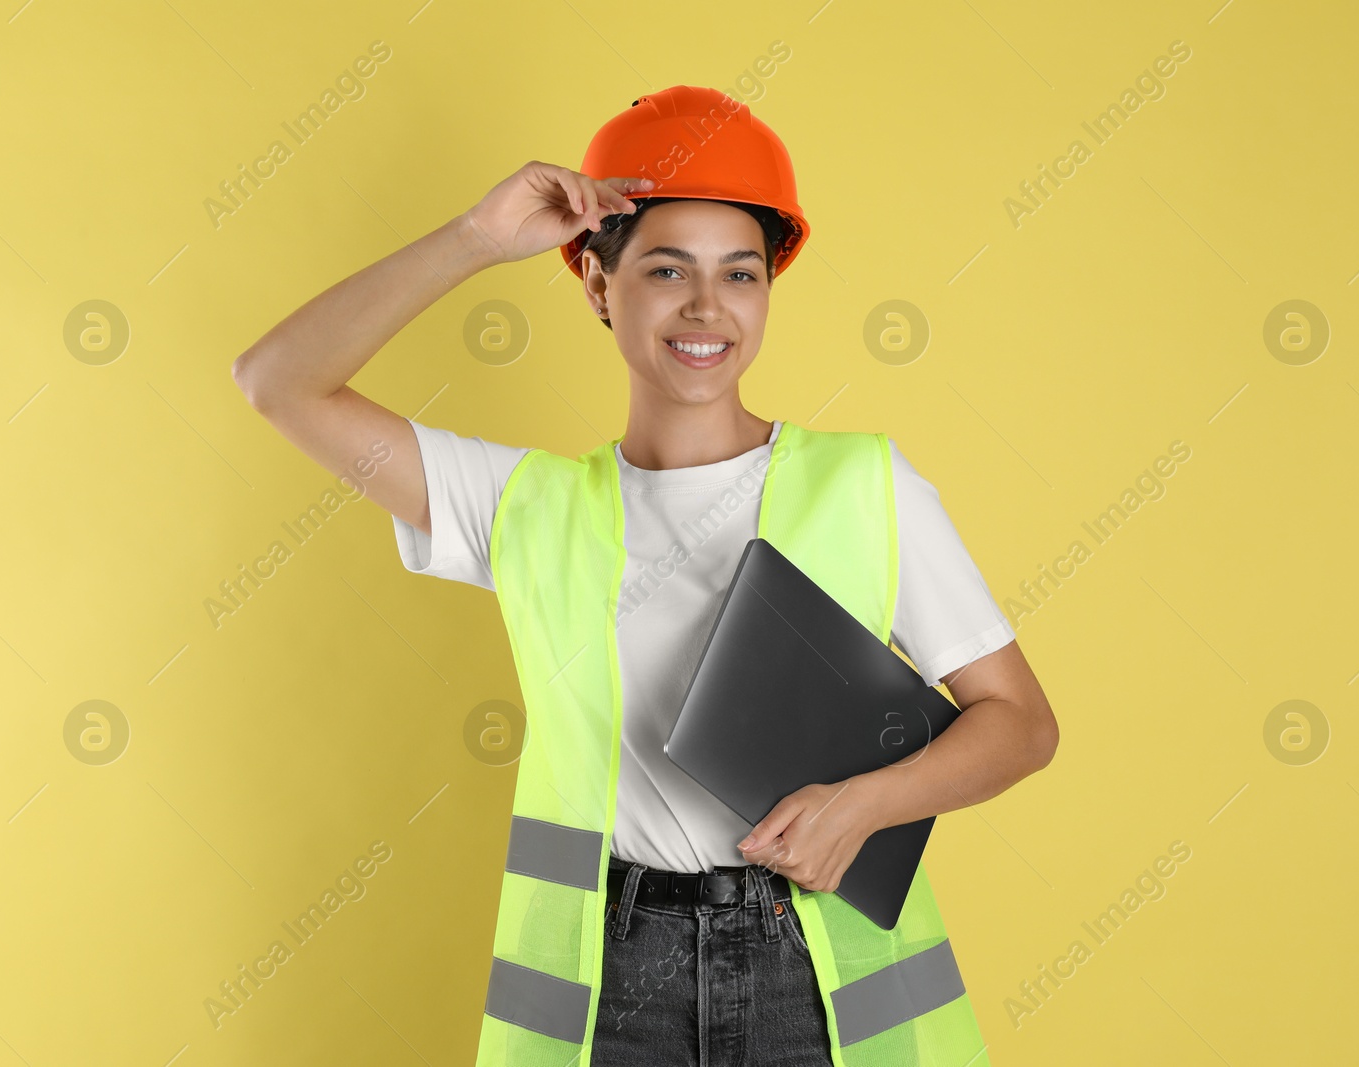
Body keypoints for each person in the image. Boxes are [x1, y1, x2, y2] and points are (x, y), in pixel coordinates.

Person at [234, 85, 1058, 1067]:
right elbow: (277, 379)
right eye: (666, 270)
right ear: (594, 282)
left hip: (820, 970)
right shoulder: (522, 504)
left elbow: (1019, 720)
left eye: (740, 274)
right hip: (607, 979)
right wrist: (474, 237)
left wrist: (867, 803)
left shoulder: (866, 484)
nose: (707, 307)